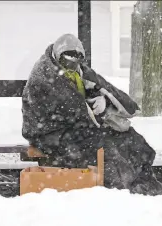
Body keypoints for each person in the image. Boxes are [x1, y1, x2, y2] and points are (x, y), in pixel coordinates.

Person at [22, 33, 162, 196]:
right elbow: (72, 108)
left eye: (75, 62)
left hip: (78, 128)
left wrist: (105, 101)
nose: (71, 64)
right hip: (52, 135)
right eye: (67, 61)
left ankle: (145, 181)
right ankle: (123, 191)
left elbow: (107, 92)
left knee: (133, 140)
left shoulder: (77, 70)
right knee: (106, 148)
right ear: (58, 56)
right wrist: (100, 111)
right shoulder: (45, 75)